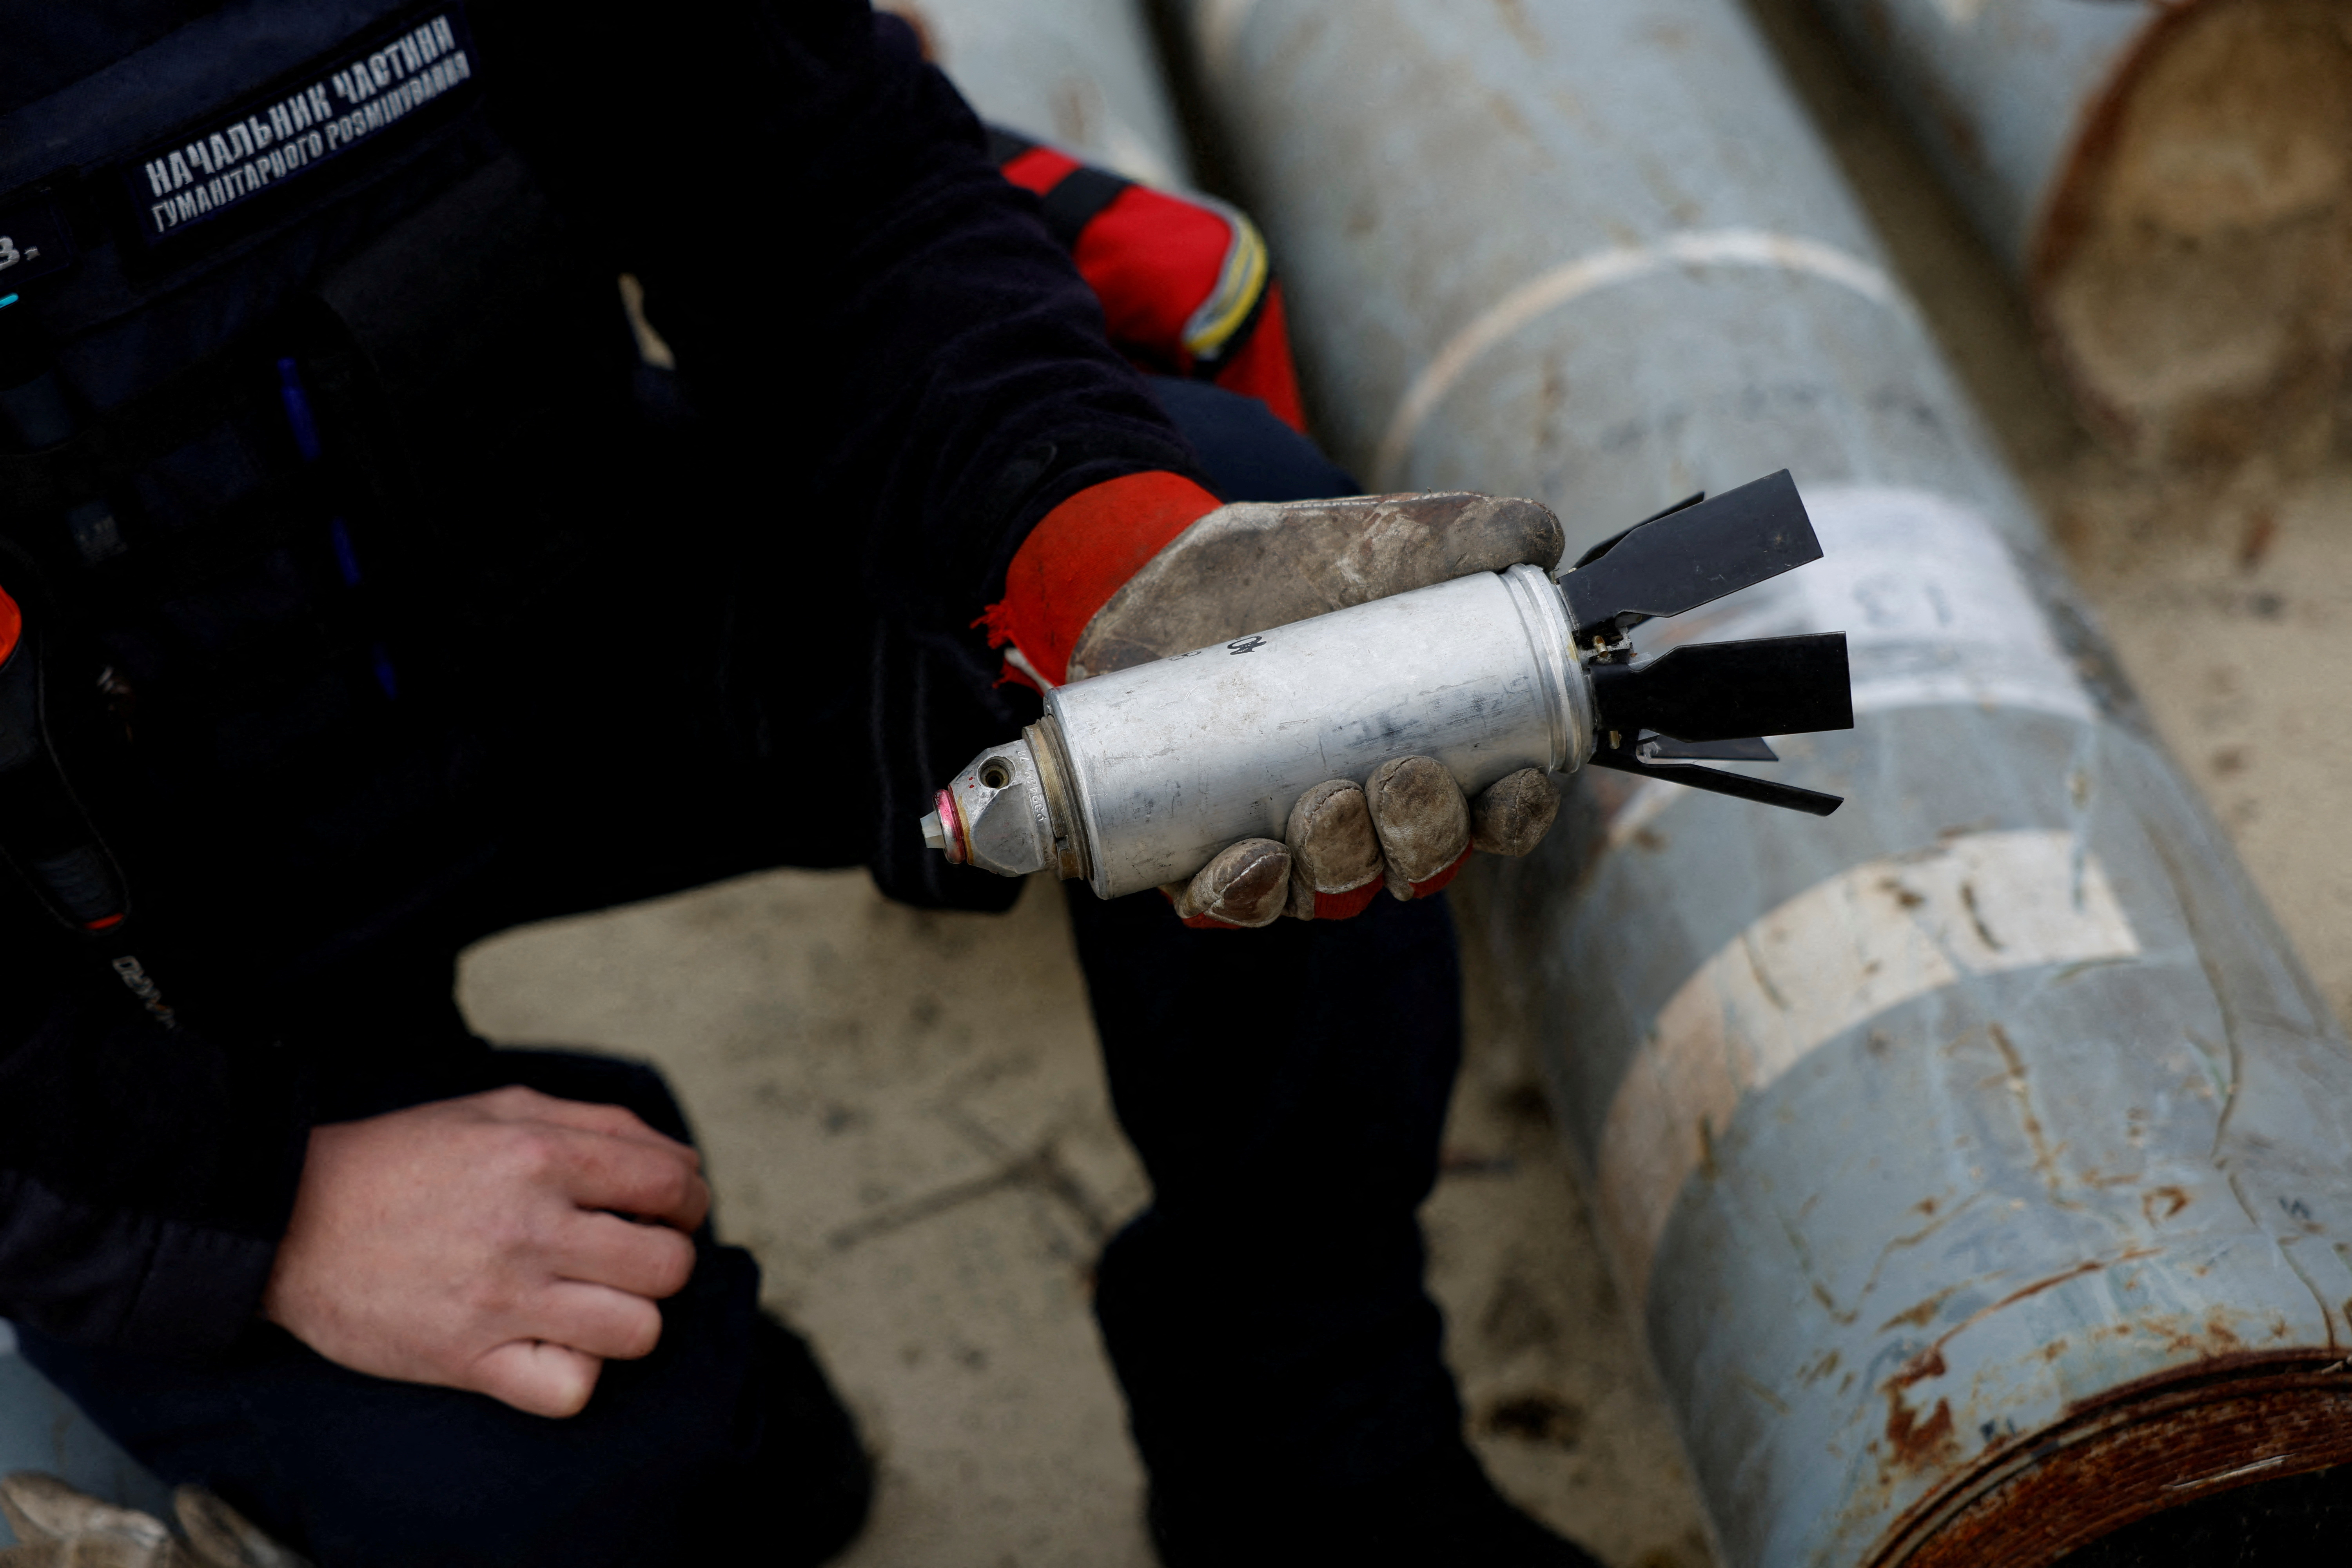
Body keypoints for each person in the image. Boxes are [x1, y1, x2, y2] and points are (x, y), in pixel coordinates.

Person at [0, 4, 1597, 1565]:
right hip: (125, 945)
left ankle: (1311, 1449)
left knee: (1278, 684)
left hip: (561, 605)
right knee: (626, 1482)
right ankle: (650, 1359)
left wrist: (1078, 541)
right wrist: (264, 1207)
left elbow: (818, 185)